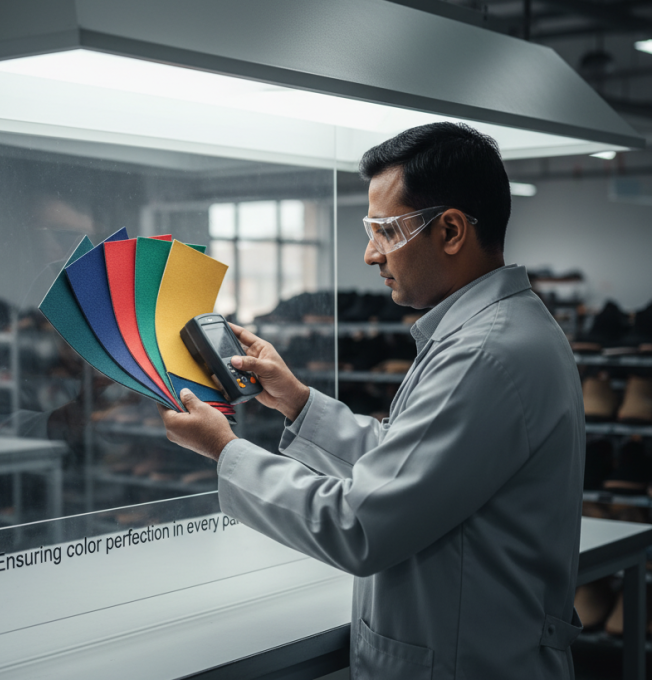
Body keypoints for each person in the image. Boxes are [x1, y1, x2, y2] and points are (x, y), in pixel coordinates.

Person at [159, 122, 585, 680]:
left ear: (451, 231)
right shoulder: (495, 331)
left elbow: (358, 525)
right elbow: (410, 459)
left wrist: (225, 452)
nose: (370, 254)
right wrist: (299, 402)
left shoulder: (484, 353)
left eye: (385, 231)